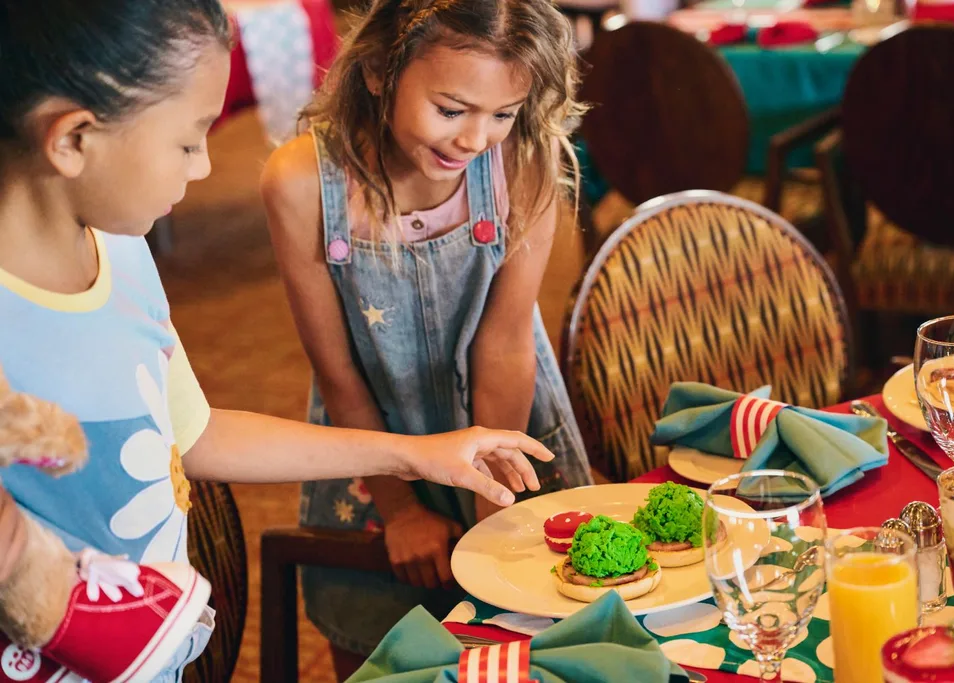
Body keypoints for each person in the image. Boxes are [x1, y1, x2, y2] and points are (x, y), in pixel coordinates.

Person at [0, 2, 556, 680]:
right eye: (188, 142)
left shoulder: (119, 251)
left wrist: (414, 455)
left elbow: (195, 434)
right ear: (72, 139)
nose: (206, 167)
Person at [260, 0, 594, 673]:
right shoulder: (300, 181)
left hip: (505, 437)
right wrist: (402, 509)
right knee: (380, 649)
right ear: (379, 70)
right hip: (374, 444)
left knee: (545, 644)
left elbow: (503, 346)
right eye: (451, 109)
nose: (474, 139)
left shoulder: (524, 161)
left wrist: (491, 504)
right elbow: (338, 372)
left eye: (502, 114)